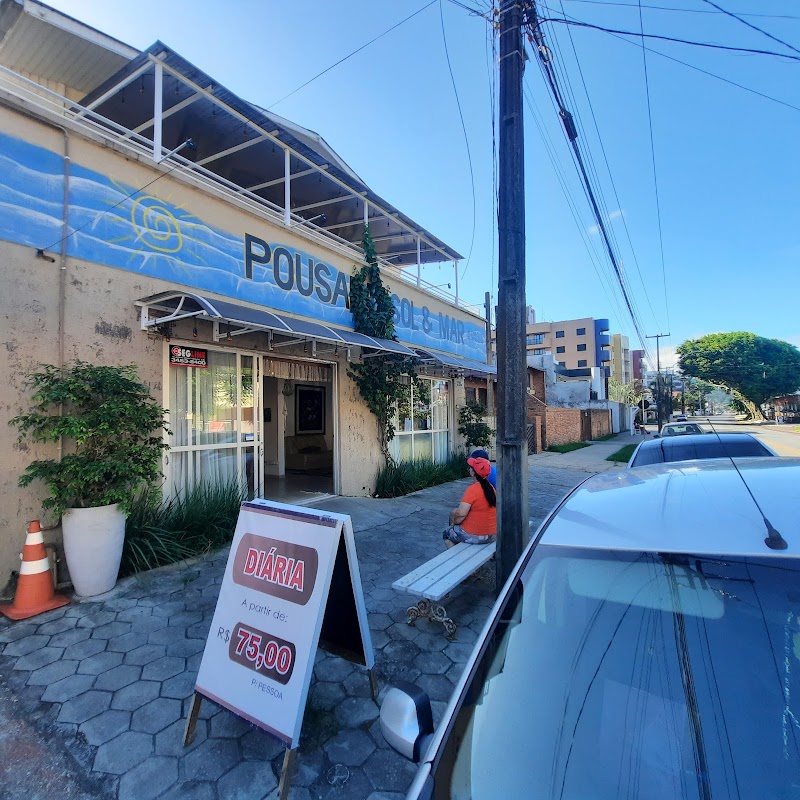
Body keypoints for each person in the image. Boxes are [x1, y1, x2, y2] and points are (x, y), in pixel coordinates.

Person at [442, 457, 497, 548]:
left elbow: (460, 514)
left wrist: (453, 524)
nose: (469, 469)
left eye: (471, 467)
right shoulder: (491, 488)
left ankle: (456, 558)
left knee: (447, 533)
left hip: (477, 536)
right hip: (492, 534)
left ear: (473, 472)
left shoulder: (473, 489)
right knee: (454, 514)